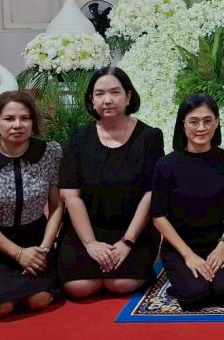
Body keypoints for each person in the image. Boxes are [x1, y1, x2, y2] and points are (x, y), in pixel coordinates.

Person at [58, 67, 164, 299]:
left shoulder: (150, 137)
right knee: (80, 288)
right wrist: (90, 243)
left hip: (132, 228)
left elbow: (151, 192)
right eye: (99, 94)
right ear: (91, 100)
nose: (107, 100)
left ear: (128, 96)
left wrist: (127, 241)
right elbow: (70, 194)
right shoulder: (79, 137)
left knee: (120, 284)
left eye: (115, 92)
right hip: (86, 226)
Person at [0, 91, 63, 318]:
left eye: (25, 118)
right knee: (0, 307)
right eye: (9, 119)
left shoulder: (50, 153)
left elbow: (57, 207)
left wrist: (45, 249)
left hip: (36, 241)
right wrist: (18, 254)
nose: (17, 125)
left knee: (39, 300)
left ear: (33, 122)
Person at [151, 94, 224, 309]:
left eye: (208, 120)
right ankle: (182, 276)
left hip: (215, 241)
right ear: (182, 124)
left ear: (217, 122)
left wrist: (223, 245)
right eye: (194, 121)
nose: (201, 127)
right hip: (179, 244)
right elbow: (158, 216)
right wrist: (188, 255)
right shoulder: (167, 165)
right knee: (195, 296)